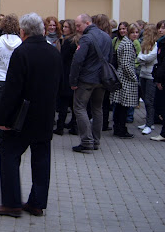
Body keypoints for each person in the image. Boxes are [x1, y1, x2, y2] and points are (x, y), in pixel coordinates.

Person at [0, 13, 61, 218]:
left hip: (22, 117)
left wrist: (2, 119)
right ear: (43, 30)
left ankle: (11, 204)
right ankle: (37, 203)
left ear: (23, 31)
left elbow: (13, 90)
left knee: (9, 155)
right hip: (45, 115)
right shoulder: (53, 52)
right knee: (41, 159)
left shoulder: (22, 53)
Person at [69, 13, 113, 152]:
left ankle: (86, 141)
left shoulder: (86, 38)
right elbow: (110, 58)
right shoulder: (106, 37)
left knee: (79, 108)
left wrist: (73, 80)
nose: (76, 28)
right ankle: (96, 140)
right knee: (97, 109)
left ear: (87, 23)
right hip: (101, 79)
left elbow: (78, 60)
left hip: (87, 80)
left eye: (78, 25)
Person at [0, 14, 22, 147]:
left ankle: (1, 141)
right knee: (14, 109)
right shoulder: (20, 42)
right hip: (14, 80)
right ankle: (13, 139)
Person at [110, 23, 139, 139]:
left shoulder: (126, 43)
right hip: (125, 79)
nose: (135, 35)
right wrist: (134, 78)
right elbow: (126, 64)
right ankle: (120, 128)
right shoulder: (127, 45)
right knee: (123, 106)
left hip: (123, 77)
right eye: (132, 32)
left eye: (137, 32)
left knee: (121, 106)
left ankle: (119, 127)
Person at [53, 19, 77, 135]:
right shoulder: (73, 41)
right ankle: (73, 124)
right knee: (71, 102)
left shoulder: (69, 42)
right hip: (70, 74)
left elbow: (63, 58)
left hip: (66, 74)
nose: (64, 29)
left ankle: (60, 126)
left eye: (66, 27)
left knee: (63, 101)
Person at [137, 24, 158, 135]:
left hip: (150, 75)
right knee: (145, 99)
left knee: (150, 100)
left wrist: (142, 59)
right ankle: (148, 122)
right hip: (143, 74)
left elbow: (150, 57)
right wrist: (143, 59)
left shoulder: (156, 44)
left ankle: (149, 124)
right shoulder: (144, 44)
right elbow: (140, 57)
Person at [150, 20, 165, 142]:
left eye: (163, 28)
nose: (160, 30)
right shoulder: (160, 42)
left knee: (161, 106)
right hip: (160, 76)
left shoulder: (163, 43)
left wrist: (159, 79)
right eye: (159, 28)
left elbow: (163, 64)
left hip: (163, 78)